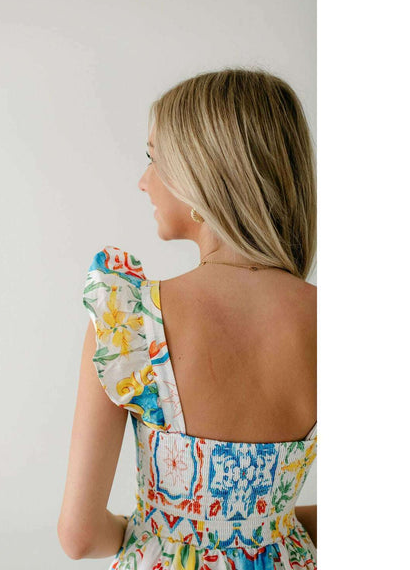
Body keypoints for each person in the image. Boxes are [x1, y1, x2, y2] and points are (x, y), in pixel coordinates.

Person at [58, 68, 317, 569]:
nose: (144, 181)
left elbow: (79, 537)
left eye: (153, 159)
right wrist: (266, 527)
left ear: (202, 176)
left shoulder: (129, 321)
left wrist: (163, 530)